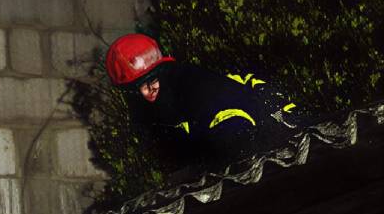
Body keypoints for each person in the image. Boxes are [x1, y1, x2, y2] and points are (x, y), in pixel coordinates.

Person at [105, 31, 307, 170]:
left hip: (276, 126)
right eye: (136, 88)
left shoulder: (195, 85)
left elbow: (236, 131)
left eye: (150, 82)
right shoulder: (154, 114)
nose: (146, 93)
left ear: (163, 72)